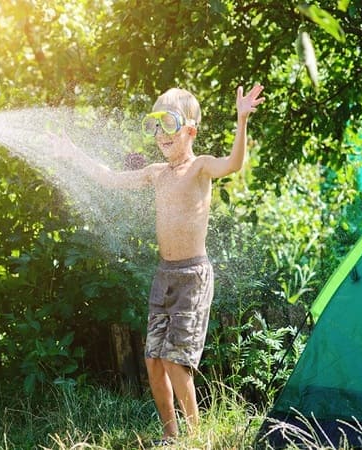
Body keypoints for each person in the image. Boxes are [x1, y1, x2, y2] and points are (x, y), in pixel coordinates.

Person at [51, 84, 264, 444]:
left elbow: (234, 163)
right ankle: (171, 436)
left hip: (192, 276)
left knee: (175, 362)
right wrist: (73, 154)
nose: (160, 134)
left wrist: (241, 120)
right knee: (153, 360)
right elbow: (110, 178)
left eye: (168, 123)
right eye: (153, 124)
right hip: (164, 276)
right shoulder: (157, 173)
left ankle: (195, 437)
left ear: (190, 130)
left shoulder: (199, 167)